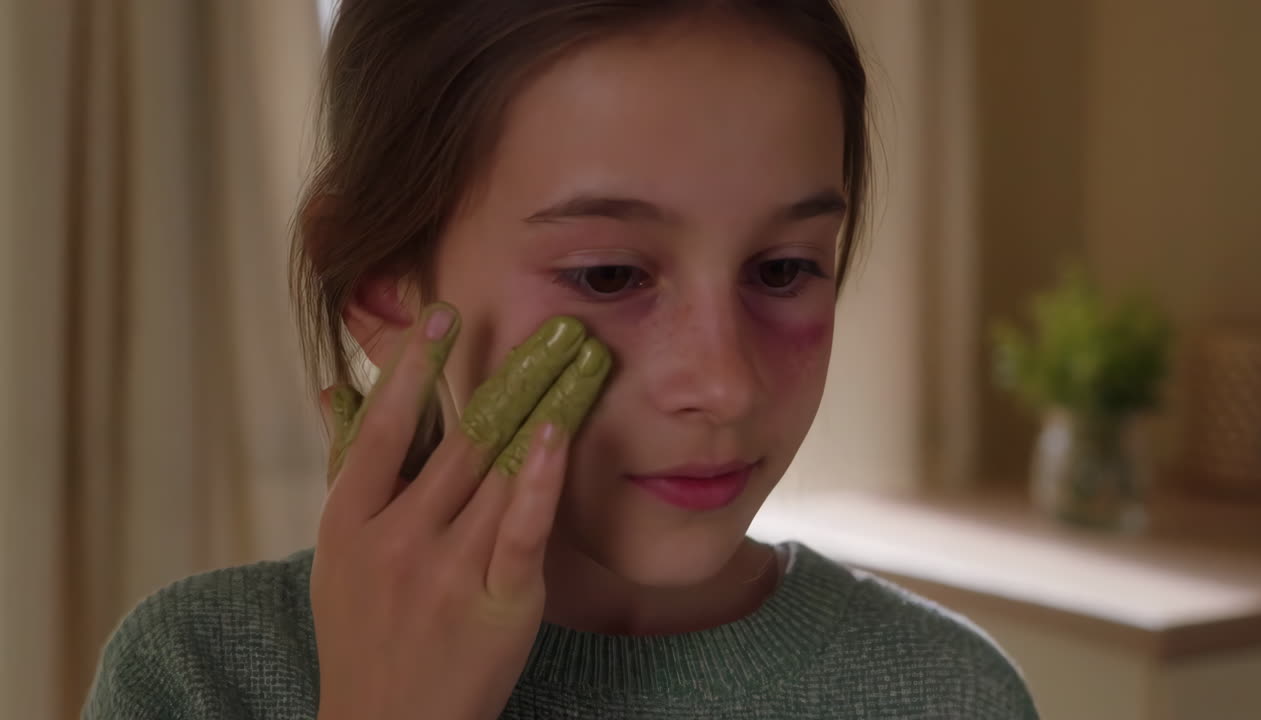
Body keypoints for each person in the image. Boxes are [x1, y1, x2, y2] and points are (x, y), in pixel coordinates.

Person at [83, 1, 1040, 718]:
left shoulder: (951, 696)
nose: (724, 383)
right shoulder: (198, 676)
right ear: (382, 285)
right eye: (611, 274)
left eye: (785, 268)